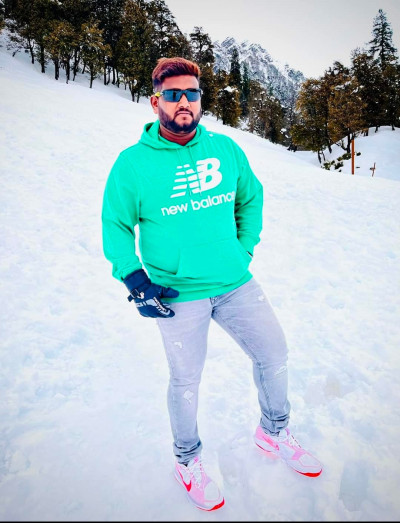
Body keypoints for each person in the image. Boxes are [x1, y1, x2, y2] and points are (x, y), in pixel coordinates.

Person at [102, 57, 322, 511]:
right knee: (185, 381)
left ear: (201, 100)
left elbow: (251, 197)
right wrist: (134, 277)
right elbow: (116, 225)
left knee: (274, 354)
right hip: (177, 293)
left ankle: (274, 431)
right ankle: (187, 461)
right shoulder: (133, 165)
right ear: (155, 102)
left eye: (192, 93)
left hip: (235, 282)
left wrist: (243, 249)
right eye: (173, 94)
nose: (184, 102)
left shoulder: (225, 149)